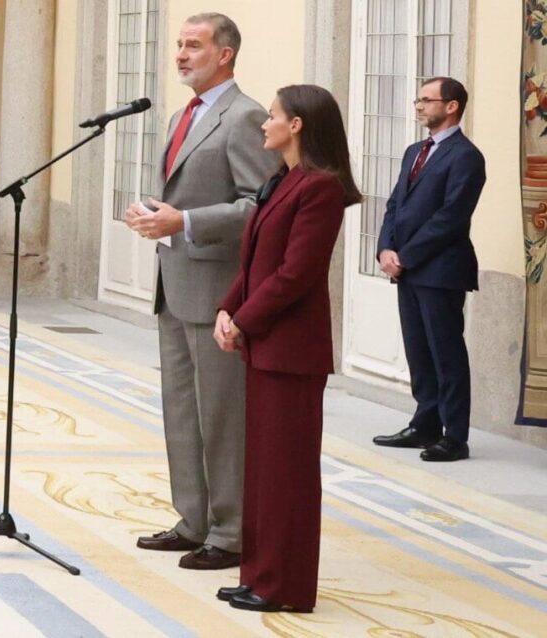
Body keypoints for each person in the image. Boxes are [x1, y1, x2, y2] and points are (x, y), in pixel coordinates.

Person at [124, 13, 279, 570]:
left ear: (226, 54)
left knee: (221, 415)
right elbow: (182, 193)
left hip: (217, 290)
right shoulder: (180, 115)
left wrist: (184, 221)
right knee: (181, 411)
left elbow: (261, 206)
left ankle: (231, 531)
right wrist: (151, 215)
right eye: (180, 45)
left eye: (195, 45)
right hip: (174, 284)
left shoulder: (245, 117)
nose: (182, 54)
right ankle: (192, 520)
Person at [214, 84, 362, 613]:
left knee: (289, 476)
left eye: (272, 116)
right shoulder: (282, 179)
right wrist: (227, 310)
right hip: (265, 345)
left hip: (292, 351)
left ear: (297, 124)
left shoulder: (319, 189)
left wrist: (244, 322)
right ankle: (259, 574)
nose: (264, 124)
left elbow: (296, 274)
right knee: (264, 472)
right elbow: (254, 260)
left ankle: (286, 587)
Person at [372, 77, 486, 462]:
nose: (419, 106)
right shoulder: (413, 151)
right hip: (407, 268)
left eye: (427, 100)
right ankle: (425, 425)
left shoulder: (466, 156)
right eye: (418, 99)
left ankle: (455, 436)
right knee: (418, 352)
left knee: (446, 353)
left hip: (440, 270)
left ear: (451, 106)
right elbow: (394, 205)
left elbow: (451, 217)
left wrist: (406, 255)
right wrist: (385, 248)